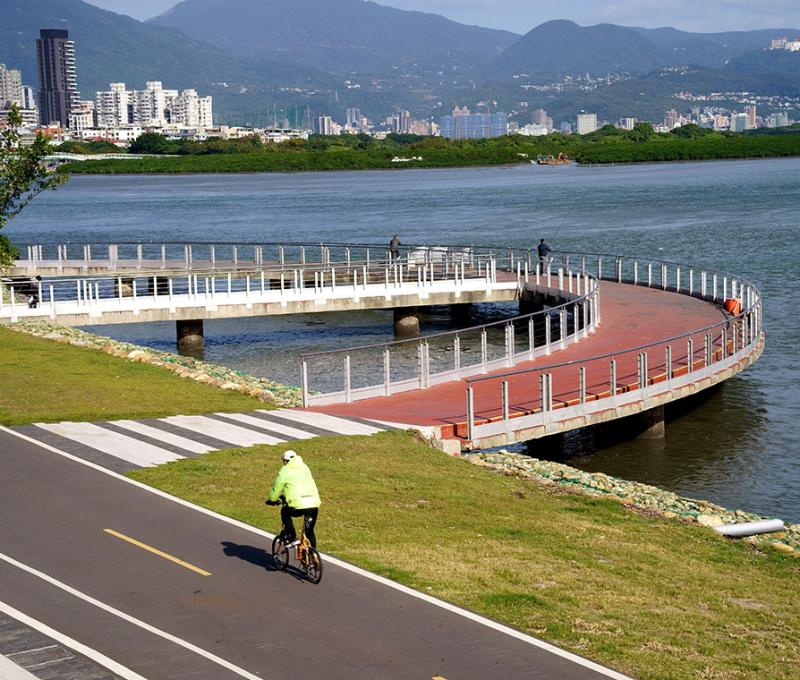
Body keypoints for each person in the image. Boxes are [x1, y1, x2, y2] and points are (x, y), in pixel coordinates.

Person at [266, 450, 321, 548]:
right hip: (313, 503)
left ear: (286, 461)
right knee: (309, 531)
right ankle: (313, 555)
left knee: (285, 512)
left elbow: (276, 488)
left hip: (297, 505)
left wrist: (272, 499)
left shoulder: (285, 470)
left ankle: (292, 537)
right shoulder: (305, 466)